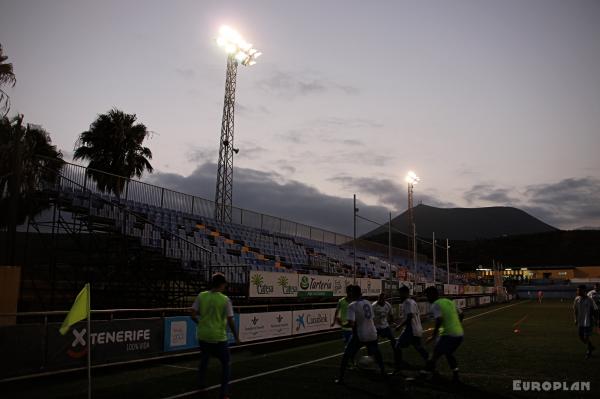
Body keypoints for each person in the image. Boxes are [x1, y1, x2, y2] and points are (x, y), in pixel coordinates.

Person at [191, 273, 240, 399]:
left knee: (204, 360)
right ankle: (223, 393)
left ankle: (201, 385)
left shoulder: (201, 295)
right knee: (226, 364)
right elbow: (230, 320)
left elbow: (192, 314)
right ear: (222, 284)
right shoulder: (225, 299)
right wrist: (236, 336)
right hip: (218, 337)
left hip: (203, 335)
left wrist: (201, 323)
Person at [335, 285, 386, 384]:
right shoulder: (368, 302)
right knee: (377, 353)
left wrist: (341, 323)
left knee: (346, 355)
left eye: (350, 292)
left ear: (353, 293)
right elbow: (371, 318)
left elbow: (351, 324)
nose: (349, 294)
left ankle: (341, 378)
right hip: (372, 333)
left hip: (361, 335)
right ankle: (383, 371)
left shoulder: (352, 305)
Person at [423, 286, 464, 383]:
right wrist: (456, 324)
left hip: (448, 335)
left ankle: (424, 374)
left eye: (427, 295)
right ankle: (456, 375)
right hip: (459, 334)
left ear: (432, 295)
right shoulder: (448, 301)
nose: (427, 298)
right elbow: (462, 314)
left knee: (434, 355)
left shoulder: (435, 304)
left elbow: (439, 320)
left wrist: (433, 336)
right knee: (448, 353)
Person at [394, 285, 428, 371]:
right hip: (417, 329)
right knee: (419, 347)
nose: (399, 295)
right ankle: (430, 362)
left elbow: (409, 317)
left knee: (397, 346)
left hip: (411, 329)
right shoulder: (412, 301)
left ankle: (398, 366)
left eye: (400, 293)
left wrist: (399, 326)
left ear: (405, 293)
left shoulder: (407, 302)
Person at [574, 285, 597, 359]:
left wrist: (596, 320)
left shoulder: (590, 300)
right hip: (580, 322)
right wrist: (575, 319)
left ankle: (588, 352)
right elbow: (575, 310)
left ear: (583, 291)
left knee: (586, 337)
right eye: (577, 290)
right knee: (581, 337)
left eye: (579, 290)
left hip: (588, 322)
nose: (577, 292)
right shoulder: (577, 299)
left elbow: (595, 310)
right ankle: (591, 346)